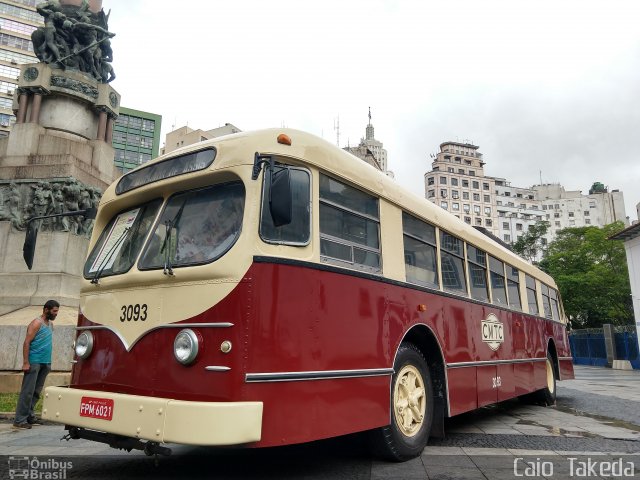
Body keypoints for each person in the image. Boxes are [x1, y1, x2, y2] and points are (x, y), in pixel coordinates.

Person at [13, 300, 59, 429]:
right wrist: (26, 362)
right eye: (54, 311)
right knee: (27, 392)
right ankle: (19, 420)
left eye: (57, 311)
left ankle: (29, 416)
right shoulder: (36, 323)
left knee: (36, 392)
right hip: (34, 362)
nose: (56, 314)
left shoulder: (50, 324)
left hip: (45, 363)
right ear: (46, 310)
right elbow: (26, 342)